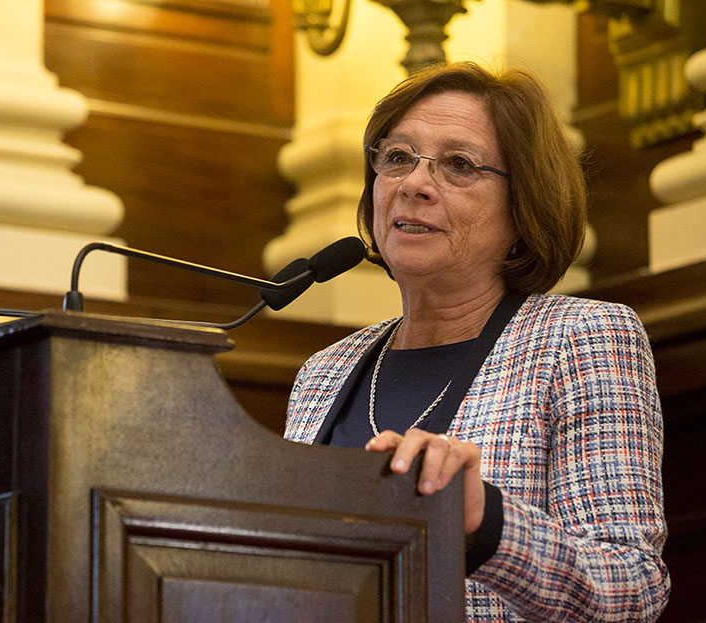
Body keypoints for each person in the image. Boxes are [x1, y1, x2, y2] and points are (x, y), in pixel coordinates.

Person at [284, 62, 669, 622]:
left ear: (523, 207)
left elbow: (630, 591)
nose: (414, 184)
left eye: (458, 165)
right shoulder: (324, 375)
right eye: (396, 157)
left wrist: (486, 520)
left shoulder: (581, 339)